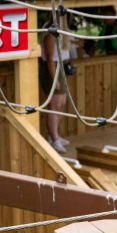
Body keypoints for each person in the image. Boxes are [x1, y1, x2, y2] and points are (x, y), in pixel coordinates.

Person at [38, 18, 71, 153]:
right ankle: (54, 139)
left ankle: (54, 136)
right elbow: (49, 58)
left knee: (61, 104)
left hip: (61, 67)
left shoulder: (61, 32)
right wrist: (54, 79)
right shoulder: (50, 34)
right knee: (54, 105)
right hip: (53, 69)